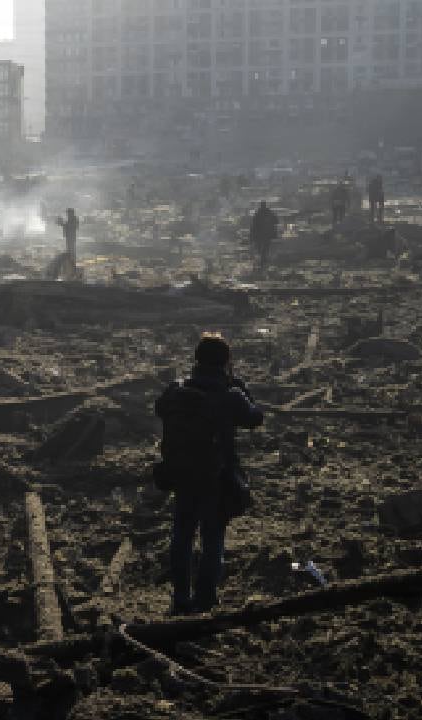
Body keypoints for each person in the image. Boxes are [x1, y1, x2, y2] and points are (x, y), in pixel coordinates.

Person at [154, 336, 263, 615]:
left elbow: (159, 409)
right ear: (226, 362)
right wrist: (240, 386)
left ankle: (180, 597)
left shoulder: (176, 390)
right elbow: (255, 418)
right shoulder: (229, 395)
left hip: (180, 473)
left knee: (181, 535)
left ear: (196, 359)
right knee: (213, 537)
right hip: (216, 476)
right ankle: (205, 598)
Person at [249, 201, 278, 272]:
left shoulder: (258, 213)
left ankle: (262, 260)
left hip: (260, 234)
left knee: (260, 247)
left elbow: (253, 225)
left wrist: (252, 235)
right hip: (266, 234)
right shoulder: (269, 212)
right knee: (265, 247)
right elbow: (276, 221)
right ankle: (263, 259)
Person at [57, 208, 80, 272]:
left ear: (71, 213)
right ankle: (71, 264)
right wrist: (62, 224)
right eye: (67, 213)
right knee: (69, 250)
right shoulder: (70, 219)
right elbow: (67, 227)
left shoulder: (74, 219)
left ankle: (72, 265)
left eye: (68, 213)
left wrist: (63, 224)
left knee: (71, 250)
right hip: (69, 237)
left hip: (71, 237)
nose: (67, 214)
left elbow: (72, 227)